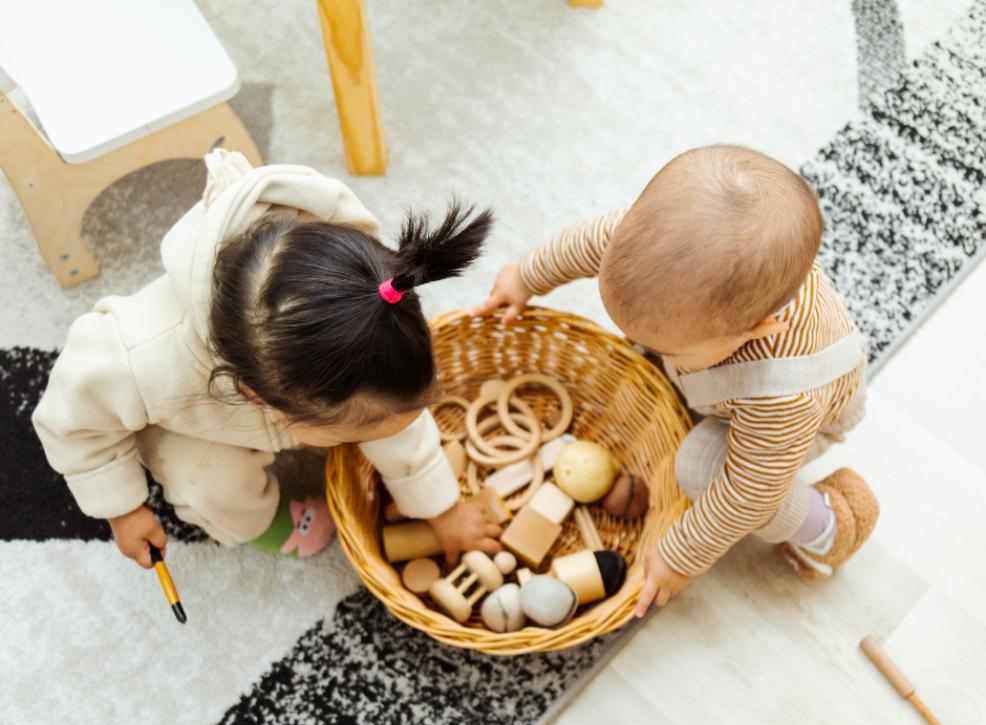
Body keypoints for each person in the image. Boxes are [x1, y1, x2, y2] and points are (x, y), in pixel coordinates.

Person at [34, 150, 502, 568]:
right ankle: (270, 522)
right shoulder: (134, 361)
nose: (362, 440)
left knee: (383, 410)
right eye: (344, 434)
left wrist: (441, 507)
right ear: (256, 396)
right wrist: (122, 508)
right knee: (210, 484)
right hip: (188, 418)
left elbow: (395, 419)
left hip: (293, 384)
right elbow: (72, 421)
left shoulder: (366, 314)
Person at [473, 144, 878, 615]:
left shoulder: (782, 395)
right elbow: (585, 244)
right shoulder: (651, 248)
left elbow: (747, 494)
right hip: (726, 384)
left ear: (754, 331)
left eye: (669, 349)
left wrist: (680, 555)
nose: (638, 343)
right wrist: (526, 276)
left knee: (700, 468)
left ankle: (826, 526)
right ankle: (687, 379)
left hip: (804, 421)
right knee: (651, 359)